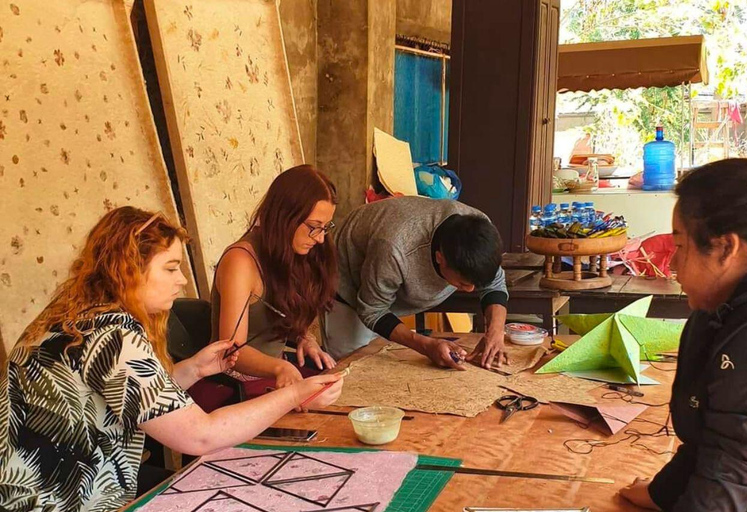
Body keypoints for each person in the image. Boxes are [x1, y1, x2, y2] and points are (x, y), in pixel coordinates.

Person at [0, 207, 344, 512]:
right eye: (170, 268)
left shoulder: (69, 316)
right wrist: (294, 395)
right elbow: (199, 436)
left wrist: (194, 368)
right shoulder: (113, 335)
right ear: (129, 269)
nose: (182, 280)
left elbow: (124, 398)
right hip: (56, 499)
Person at [620, 158, 747, 512]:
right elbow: (712, 438)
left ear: (725, 248)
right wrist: (663, 494)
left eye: (681, 247)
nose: (671, 264)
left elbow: (733, 464)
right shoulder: (722, 307)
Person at [324, 196, 509, 370]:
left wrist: (495, 331)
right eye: (462, 284)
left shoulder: (478, 231)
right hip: (346, 280)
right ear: (440, 258)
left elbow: (495, 282)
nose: (470, 291)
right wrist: (425, 345)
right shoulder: (395, 248)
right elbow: (373, 310)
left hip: (384, 275)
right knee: (354, 369)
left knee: (388, 362)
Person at [211, 165, 338, 391]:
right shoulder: (241, 261)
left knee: (337, 387)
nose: (319, 238)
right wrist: (280, 368)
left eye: (325, 227)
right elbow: (231, 352)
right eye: (313, 227)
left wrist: (303, 338)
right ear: (284, 216)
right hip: (231, 385)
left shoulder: (290, 251)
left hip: (273, 375)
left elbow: (278, 315)